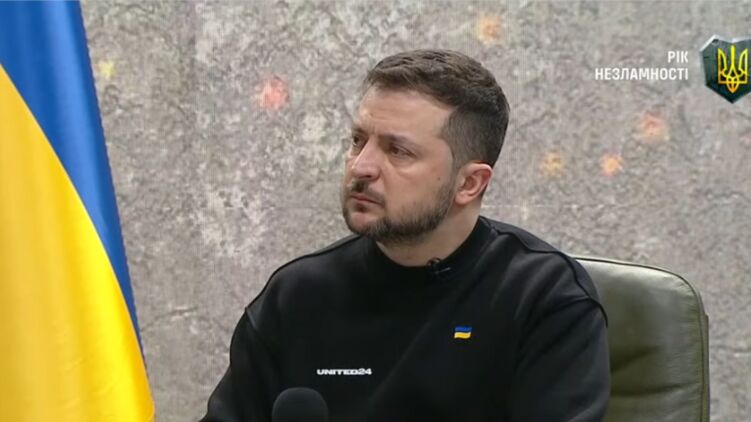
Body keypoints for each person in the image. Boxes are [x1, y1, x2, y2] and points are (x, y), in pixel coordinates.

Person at [200, 49, 610, 421]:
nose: (361, 166)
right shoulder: (297, 296)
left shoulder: (545, 298)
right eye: (358, 141)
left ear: (469, 184)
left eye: (398, 151)